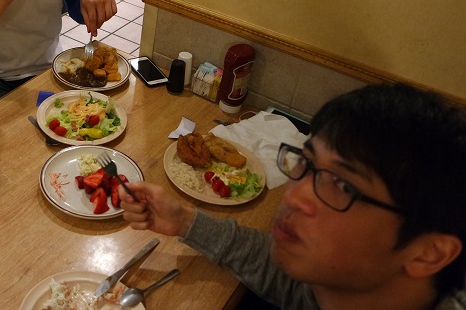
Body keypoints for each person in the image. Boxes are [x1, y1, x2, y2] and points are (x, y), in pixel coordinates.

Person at [119, 84, 466, 310]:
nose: (296, 194)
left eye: (342, 185)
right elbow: (291, 281)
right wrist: (184, 220)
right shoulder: (337, 285)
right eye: (306, 164)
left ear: (429, 253)